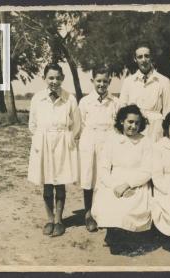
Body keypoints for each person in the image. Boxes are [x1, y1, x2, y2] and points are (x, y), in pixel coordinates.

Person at [28, 63, 81, 237]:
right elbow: (33, 125)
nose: (54, 81)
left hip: (62, 144)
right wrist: (42, 139)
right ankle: (49, 219)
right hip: (43, 144)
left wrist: (66, 140)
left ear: (63, 79)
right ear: (44, 79)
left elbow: (77, 125)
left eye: (58, 78)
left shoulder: (69, 98)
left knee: (60, 183)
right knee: (47, 183)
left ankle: (59, 220)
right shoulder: (37, 98)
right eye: (51, 77)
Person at [91, 104, 152, 233]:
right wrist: (115, 185)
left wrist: (127, 185)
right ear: (121, 121)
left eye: (137, 123)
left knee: (129, 209)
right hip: (114, 181)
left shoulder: (146, 142)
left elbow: (147, 170)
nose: (133, 126)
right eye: (130, 122)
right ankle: (114, 232)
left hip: (136, 182)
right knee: (108, 204)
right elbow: (104, 168)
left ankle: (127, 236)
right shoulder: (112, 140)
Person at [78, 66, 119, 232]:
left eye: (105, 81)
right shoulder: (85, 102)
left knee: (105, 178)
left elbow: (118, 125)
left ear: (109, 81)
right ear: (92, 81)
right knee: (89, 178)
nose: (102, 84)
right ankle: (88, 214)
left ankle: (104, 213)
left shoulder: (115, 102)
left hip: (108, 142)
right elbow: (80, 125)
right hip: (89, 142)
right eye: (98, 81)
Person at [119, 43, 170, 142]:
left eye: (147, 56)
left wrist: (166, 134)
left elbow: (169, 110)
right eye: (140, 57)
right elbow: (122, 109)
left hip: (156, 130)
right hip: (134, 128)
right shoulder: (128, 82)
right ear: (135, 59)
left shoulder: (163, 81)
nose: (144, 60)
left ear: (151, 57)